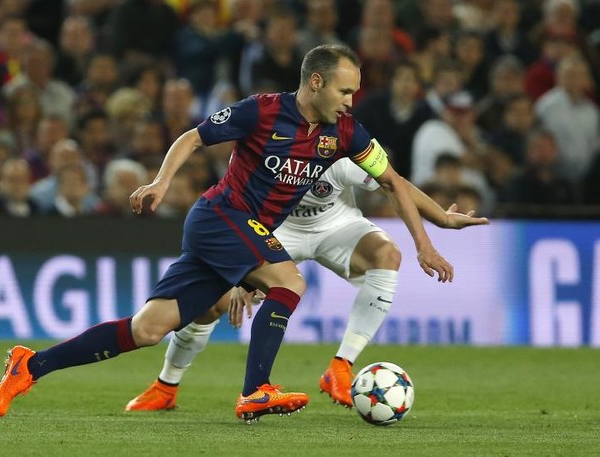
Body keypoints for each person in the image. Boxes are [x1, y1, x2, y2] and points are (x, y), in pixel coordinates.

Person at [0, 44, 453, 422]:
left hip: (242, 231)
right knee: (289, 281)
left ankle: (31, 365)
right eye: (345, 90)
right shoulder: (262, 111)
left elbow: (393, 182)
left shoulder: (347, 133)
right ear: (316, 82)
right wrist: (161, 182)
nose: (351, 100)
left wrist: (426, 243)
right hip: (221, 216)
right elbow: (193, 137)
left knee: (148, 329)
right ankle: (256, 390)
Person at [125, 157, 488, 412]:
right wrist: (239, 274)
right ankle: (166, 386)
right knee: (211, 304)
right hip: (274, 230)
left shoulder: (343, 150)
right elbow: (238, 203)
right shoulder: (266, 145)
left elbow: (395, 183)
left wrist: (440, 218)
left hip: (337, 225)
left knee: (387, 254)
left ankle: (340, 367)